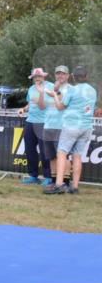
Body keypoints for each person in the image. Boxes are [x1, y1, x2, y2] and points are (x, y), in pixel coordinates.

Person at [46, 66, 96, 195]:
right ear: (86, 76)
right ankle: (74, 187)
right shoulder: (93, 90)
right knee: (77, 156)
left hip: (71, 126)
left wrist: (55, 95)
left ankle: (58, 185)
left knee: (61, 153)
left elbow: (60, 107)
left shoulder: (72, 90)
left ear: (73, 76)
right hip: (86, 127)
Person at [18, 68, 53, 185]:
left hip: (44, 122)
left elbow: (43, 106)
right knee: (29, 149)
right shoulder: (32, 88)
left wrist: (41, 92)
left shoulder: (50, 87)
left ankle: (48, 177)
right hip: (30, 121)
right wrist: (23, 109)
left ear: (44, 77)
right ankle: (33, 176)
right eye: (35, 77)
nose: (37, 79)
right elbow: (30, 103)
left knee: (44, 151)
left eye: (39, 76)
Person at [41, 65, 69, 190]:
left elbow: (63, 104)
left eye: (63, 74)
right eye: (58, 73)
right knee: (51, 156)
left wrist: (56, 92)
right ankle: (53, 181)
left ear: (67, 76)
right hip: (48, 126)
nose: (60, 76)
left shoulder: (70, 89)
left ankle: (66, 182)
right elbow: (42, 104)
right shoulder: (48, 87)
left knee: (63, 156)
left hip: (62, 127)